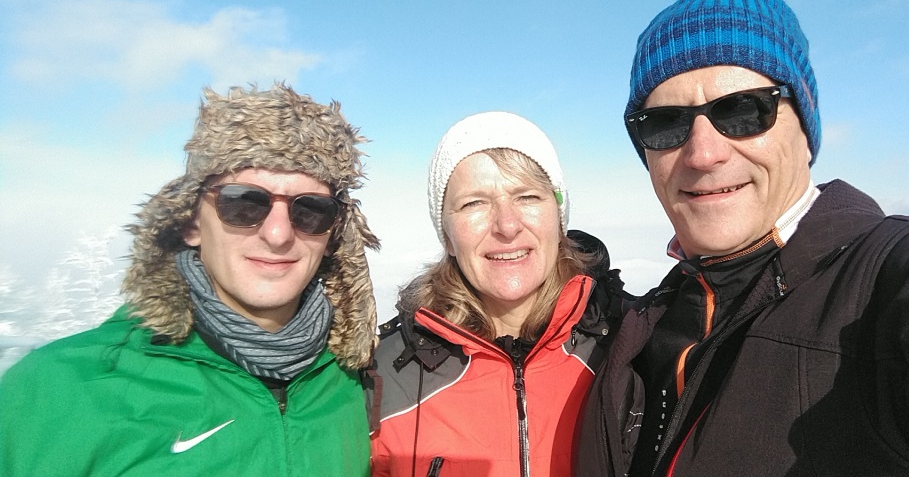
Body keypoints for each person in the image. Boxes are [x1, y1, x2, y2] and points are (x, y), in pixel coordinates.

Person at [576, 0, 909, 476]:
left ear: (805, 132)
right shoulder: (654, 319)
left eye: (743, 110)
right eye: (665, 123)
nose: (703, 154)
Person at [0, 84, 380, 476]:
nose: (278, 234)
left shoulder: (357, 382)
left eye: (311, 210)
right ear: (191, 222)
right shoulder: (61, 387)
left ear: (334, 234)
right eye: (244, 203)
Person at [366, 111, 630, 477]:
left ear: (558, 219)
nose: (507, 225)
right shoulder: (382, 376)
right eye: (474, 203)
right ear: (447, 237)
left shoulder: (628, 346)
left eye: (527, 196)